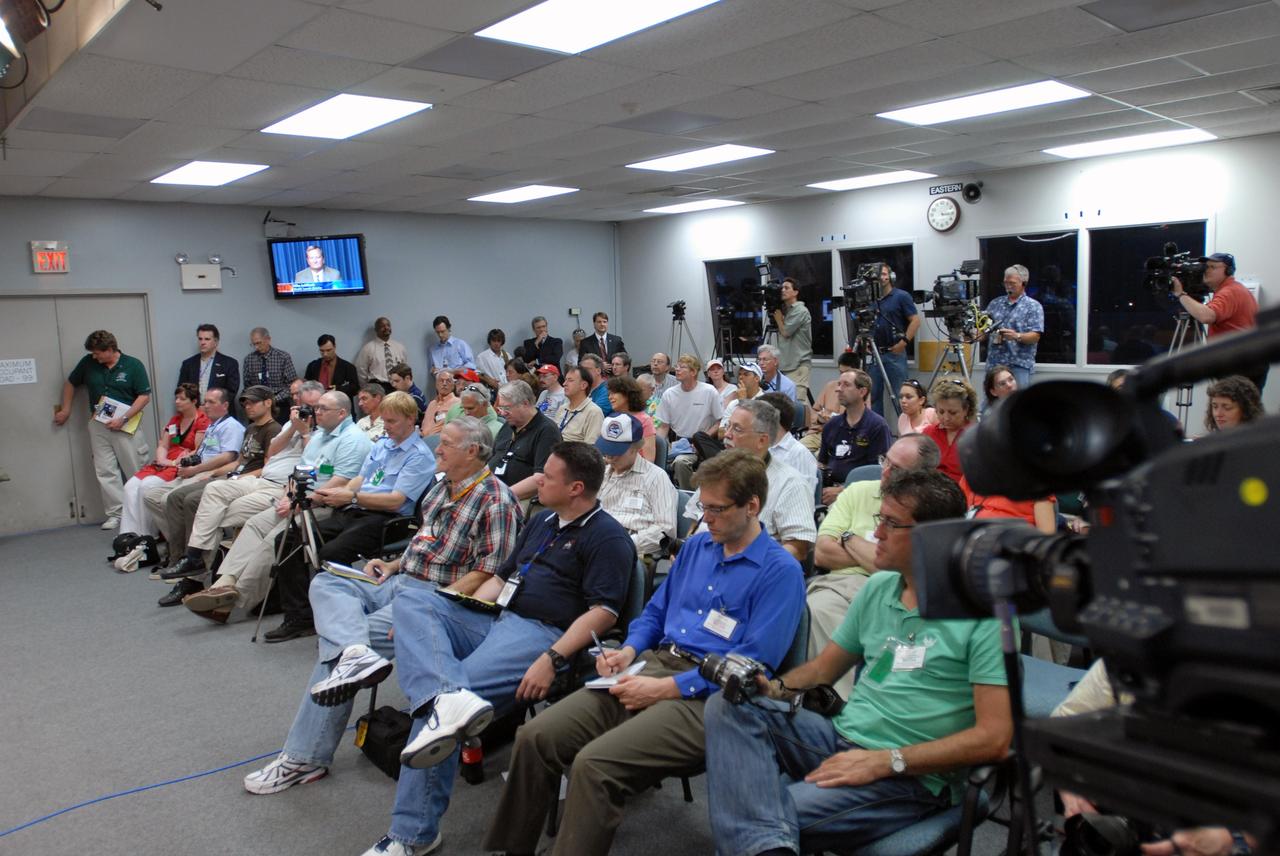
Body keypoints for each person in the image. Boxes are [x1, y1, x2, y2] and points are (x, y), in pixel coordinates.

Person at [484, 448, 805, 856]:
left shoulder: (780, 571)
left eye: (716, 509)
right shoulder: (696, 548)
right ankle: (513, 849)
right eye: (701, 505)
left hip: (710, 698)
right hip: (651, 666)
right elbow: (655, 612)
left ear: (752, 506)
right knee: (535, 736)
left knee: (595, 765)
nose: (704, 517)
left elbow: (750, 665)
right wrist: (630, 649)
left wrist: (667, 688)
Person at [703, 469, 1013, 855]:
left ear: (934, 538)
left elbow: (996, 739)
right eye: (879, 519)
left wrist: (887, 762)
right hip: (842, 740)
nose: (875, 534)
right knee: (729, 705)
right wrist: (774, 689)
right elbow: (823, 669)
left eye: (890, 524)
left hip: (912, 776)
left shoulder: (983, 612)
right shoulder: (881, 587)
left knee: (756, 825)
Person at [361, 442, 635, 856]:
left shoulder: (608, 538)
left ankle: (413, 835)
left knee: (438, 707)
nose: (538, 479)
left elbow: (604, 614)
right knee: (415, 602)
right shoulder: (544, 521)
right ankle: (446, 693)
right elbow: (499, 580)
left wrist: (553, 658)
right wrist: (449, 612)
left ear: (577, 487)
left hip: (542, 635)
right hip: (495, 618)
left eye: (549, 476)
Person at [241, 416, 521, 799]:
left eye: (446, 444)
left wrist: (427, 612)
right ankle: (355, 651)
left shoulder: (497, 500)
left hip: (431, 597)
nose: (436, 448)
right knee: (327, 579)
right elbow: (423, 542)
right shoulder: (443, 488)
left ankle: (305, 755)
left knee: (334, 660)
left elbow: (489, 574)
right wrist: (390, 565)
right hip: (398, 580)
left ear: (472, 451)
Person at [167, 390, 371, 635]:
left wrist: (299, 500)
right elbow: (299, 471)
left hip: (325, 505)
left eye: (322, 409)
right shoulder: (319, 436)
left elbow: (340, 482)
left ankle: (230, 599)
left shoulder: (353, 439)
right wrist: (288, 495)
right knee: (255, 523)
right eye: (316, 408)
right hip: (297, 498)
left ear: (342, 413)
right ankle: (223, 584)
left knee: (275, 537)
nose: (316, 413)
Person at [252, 391, 436, 641]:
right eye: (385, 421)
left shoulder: (419, 455)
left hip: (387, 520)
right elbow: (362, 478)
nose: (387, 426)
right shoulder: (383, 443)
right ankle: (300, 616)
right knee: (292, 539)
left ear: (411, 418)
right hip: (356, 509)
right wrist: (343, 491)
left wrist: (350, 497)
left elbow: (396, 501)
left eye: (392, 421)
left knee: (330, 553)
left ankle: (344, 619)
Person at [157, 382, 323, 606]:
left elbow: (312, 461)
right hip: (259, 481)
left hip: (279, 486)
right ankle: (195, 561)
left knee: (211, 515)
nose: (310, 412)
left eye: (314, 407)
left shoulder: (323, 433)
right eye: (303, 405)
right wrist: (294, 427)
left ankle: (197, 574)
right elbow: (272, 451)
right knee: (213, 491)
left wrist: (304, 433)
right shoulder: (287, 425)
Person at [807, 434, 939, 698]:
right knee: (820, 610)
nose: (886, 472)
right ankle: (839, 703)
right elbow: (822, 552)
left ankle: (879, 707)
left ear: (922, 477)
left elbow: (903, 570)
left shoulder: (931, 510)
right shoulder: (858, 492)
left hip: (899, 592)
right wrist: (880, 556)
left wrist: (847, 538)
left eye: (897, 469)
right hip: (841, 586)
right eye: (885, 461)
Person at [150, 386, 281, 586]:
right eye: (245, 403)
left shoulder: (274, 430)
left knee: (193, 500)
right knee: (173, 496)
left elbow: (267, 467)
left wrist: (230, 476)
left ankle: (195, 568)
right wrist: (213, 473)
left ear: (268, 402)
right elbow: (237, 461)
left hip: (250, 480)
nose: (248, 407)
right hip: (233, 475)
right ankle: (184, 558)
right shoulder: (251, 428)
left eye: (253, 402)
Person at [686, 400, 816, 563]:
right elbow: (695, 523)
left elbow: (798, 546)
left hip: (752, 571)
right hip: (700, 561)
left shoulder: (790, 483)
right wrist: (686, 554)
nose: (727, 435)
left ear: (762, 440)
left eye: (737, 429)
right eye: (728, 426)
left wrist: (754, 572)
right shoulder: (716, 472)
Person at [54, 329, 153, 530]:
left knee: (135, 468)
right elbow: (71, 383)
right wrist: (66, 409)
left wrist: (123, 418)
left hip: (126, 424)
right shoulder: (88, 363)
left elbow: (144, 396)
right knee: (106, 470)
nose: (94, 356)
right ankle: (117, 513)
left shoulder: (133, 365)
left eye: (98, 353)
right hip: (98, 424)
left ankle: (146, 511)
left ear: (110, 349)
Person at [140, 386, 244, 554]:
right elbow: (202, 450)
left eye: (211, 402)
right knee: (151, 496)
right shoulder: (212, 425)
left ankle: (182, 550)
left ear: (225, 405)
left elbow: (228, 457)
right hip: (195, 469)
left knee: (168, 499)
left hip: (211, 472)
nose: (206, 406)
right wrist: (185, 460)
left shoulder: (231, 426)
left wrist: (195, 469)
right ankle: (176, 542)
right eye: (205, 402)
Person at [117, 383, 207, 540]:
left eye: (182, 399)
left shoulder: (202, 421)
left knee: (147, 486)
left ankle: (146, 534)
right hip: (164, 462)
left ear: (194, 401)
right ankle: (129, 533)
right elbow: (163, 445)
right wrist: (163, 459)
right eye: (176, 398)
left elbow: (198, 449)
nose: (177, 402)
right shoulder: (174, 420)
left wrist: (175, 462)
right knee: (130, 486)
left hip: (181, 464)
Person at [1173, 252, 1264, 390]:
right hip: (1246, 361)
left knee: (1232, 407)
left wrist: (1180, 294)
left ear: (1228, 270)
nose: (1206, 270)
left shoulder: (1229, 292)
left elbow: (1207, 316)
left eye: (1212, 267)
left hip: (1239, 365)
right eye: (1206, 266)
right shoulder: (1235, 289)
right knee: (1243, 408)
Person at [595, 412, 676, 559]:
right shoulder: (602, 474)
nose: (609, 457)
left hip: (631, 549)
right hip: (595, 543)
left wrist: (621, 544)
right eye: (607, 449)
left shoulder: (656, 478)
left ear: (636, 447)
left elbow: (665, 530)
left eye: (616, 451)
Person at [818, 368, 892, 505]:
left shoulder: (877, 426)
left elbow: (877, 474)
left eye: (846, 385)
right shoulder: (832, 425)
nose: (839, 389)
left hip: (862, 495)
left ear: (862, 392)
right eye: (839, 384)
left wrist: (843, 490)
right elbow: (822, 463)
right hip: (829, 490)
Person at [659, 354, 726, 490]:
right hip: (677, 443)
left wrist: (703, 438)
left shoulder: (709, 391)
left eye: (682, 367)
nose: (677, 369)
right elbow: (663, 426)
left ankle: (688, 497)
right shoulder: (669, 394)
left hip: (701, 443)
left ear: (694, 372)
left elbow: (720, 421)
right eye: (677, 366)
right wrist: (657, 446)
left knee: (681, 462)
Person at [491, 380, 561, 501]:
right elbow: (491, 459)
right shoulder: (508, 425)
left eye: (507, 407)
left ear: (525, 403)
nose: (502, 413)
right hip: (493, 491)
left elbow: (541, 478)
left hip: (521, 499)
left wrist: (502, 496)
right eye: (501, 408)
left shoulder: (547, 431)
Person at [981, 264, 1044, 389]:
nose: (1008, 286)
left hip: (1018, 365)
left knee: (1016, 404)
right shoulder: (995, 304)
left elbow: (1035, 336)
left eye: (1012, 283)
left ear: (1023, 283)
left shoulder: (1033, 306)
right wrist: (974, 335)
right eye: (1006, 282)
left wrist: (1017, 336)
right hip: (995, 364)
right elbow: (983, 330)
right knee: (990, 403)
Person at [871, 263, 921, 417]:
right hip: (875, 354)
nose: (882, 277)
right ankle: (878, 435)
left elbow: (915, 321)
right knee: (873, 396)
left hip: (895, 354)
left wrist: (903, 342)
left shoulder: (901, 296)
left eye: (884, 274)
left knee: (903, 398)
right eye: (878, 275)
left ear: (891, 276)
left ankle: (906, 434)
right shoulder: (871, 299)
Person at [760, 391, 820, 498]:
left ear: (772, 420)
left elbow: (802, 502)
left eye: (756, 416)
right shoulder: (757, 448)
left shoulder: (800, 455)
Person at [801, 352, 860, 453]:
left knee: (817, 457)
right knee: (795, 451)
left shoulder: (860, 391)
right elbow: (814, 412)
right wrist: (819, 419)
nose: (843, 377)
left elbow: (860, 422)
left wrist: (834, 421)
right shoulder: (830, 386)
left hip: (843, 437)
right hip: (820, 432)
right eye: (841, 373)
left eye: (847, 373)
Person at [923, 378, 978, 483]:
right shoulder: (928, 433)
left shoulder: (976, 437)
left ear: (966, 410)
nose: (946, 418)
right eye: (941, 412)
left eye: (952, 412)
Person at [177, 324, 239, 409]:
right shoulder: (188, 364)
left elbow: (230, 392)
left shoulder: (229, 363)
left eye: (207, 339)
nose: (202, 342)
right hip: (195, 413)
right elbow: (182, 391)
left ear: (216, 342)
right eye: (200, 339)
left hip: (220, 413)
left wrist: (209, 407)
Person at [242, 327, 298, 420]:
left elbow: (291, 384)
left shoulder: (283, 357)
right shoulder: (249, 359)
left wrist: (273, 400)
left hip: (279, 404)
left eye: (259, 343)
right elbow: (248, 385)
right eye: (253, 344)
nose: (256, 347)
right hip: (257, 406)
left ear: (268, 339)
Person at [773, 277, 814, 403]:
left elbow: (785, 332)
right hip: (785, 365)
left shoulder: (800, 310)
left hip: (798, 365)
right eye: (782, 288)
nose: (783, 290)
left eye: (787, 288)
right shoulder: (787, 311)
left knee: (797, 405)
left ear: (795, 292)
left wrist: (779, 319)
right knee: (783, 404)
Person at [606, 374, 656, 461]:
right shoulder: (612, 418)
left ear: (627, 394)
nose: (610, 397)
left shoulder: (644, 420)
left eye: (614, 393)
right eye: (609, 394)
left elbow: (649, 459)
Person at [552, 365, 605, 445]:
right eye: (565, 380)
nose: (564, 384)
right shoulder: (562, 408)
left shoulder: (594, 412)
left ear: (583, 385)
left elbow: (591, 450)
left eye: (570, 380)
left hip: (575, 456)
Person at [354, 316, 409, 392]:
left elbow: (405, 369)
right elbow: (361, 370)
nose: (386, 328)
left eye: (388, 325)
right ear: (376, 330)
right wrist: (367, 388)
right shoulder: (368, 348)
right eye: (382, 326)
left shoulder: (400, 347)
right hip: (377, 387)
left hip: (396, 387)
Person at [716, 360, 764, 440]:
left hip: (751, 448)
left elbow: (755, 432)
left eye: (746, 374)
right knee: (700, 437)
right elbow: (720, 434)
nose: (741, 377)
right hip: (729, 445)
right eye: (739, 374)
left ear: (757, 379)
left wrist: (743, 403)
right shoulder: (733, 403)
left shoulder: (765, 401)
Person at [304, 333, 360, 401]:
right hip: (318, 405)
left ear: (335, 347)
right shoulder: (312, 366)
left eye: (328, 350)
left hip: (339, 405)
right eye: (322, 351)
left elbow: (355, 389)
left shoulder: (348, 367)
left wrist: (337, 389)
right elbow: (306, 387)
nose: (325, 354)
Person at [419, 369, 456, 438]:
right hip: (423, 441)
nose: (444, 384)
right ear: (436, 385)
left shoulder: (457, 403)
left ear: (453, 386)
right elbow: (424, 427)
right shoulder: (431, 404)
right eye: (441, 381)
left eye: (448, 381)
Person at [475, 328, 510, 393]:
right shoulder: (482, 357)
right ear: (490, 341)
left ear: (502, 342)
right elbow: (477, 374)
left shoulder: (507, 355)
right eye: (494, 341)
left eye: (499, 341)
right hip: (492, 390)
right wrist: (489, 380)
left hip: (508, 389)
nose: (496, 343)